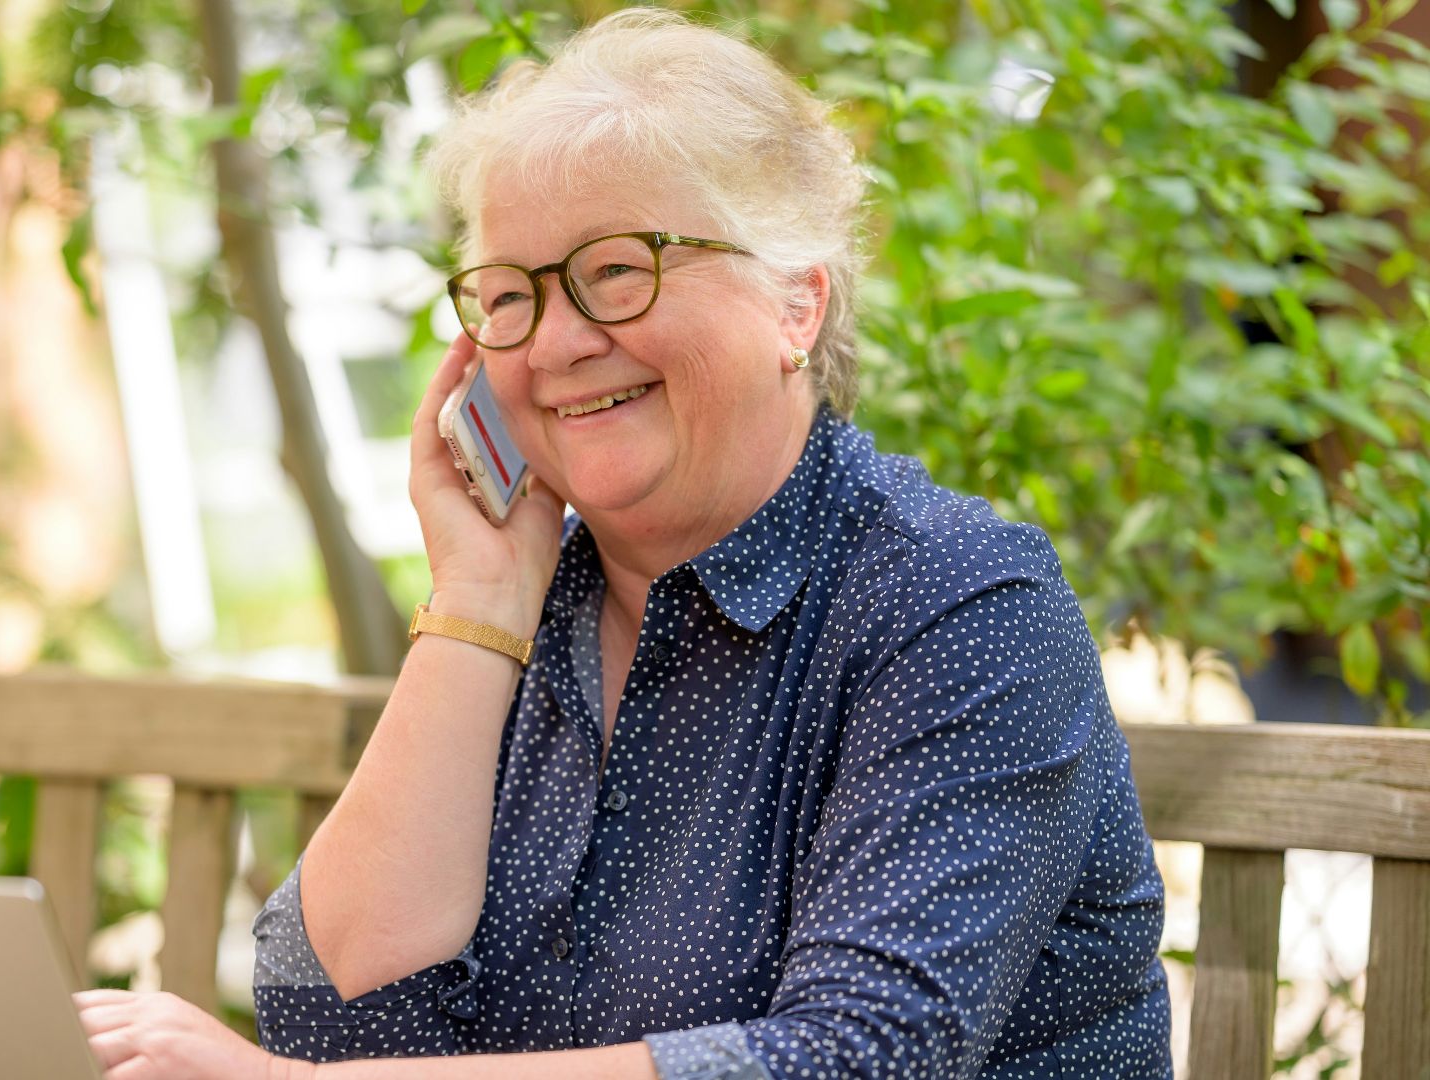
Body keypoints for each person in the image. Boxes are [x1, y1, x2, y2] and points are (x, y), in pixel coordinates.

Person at [74, 9, 1172, 1078]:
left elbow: (860, 1056)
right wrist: (481, 599)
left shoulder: (963, 605)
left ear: (795, 304)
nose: (555, 342)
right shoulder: (532, 610)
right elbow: (334, 1014)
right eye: (509, 296)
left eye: (616, 271)